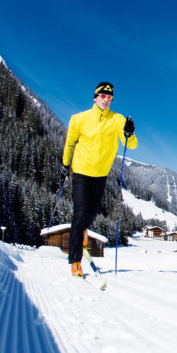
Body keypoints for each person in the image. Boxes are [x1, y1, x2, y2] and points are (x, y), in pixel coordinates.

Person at [62, 82, 138, 277]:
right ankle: (75, 261)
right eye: (103, 96)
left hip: (100, 175)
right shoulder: (79, 119)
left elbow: (131, 144)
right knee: (80, 213)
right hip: (81, 171)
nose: (106, 100)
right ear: (95, 97)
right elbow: (70, 143)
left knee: (92, 213)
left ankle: (83, 231)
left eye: (109, 97)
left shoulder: (116, 119)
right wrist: (65, 165)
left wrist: (130, 132)